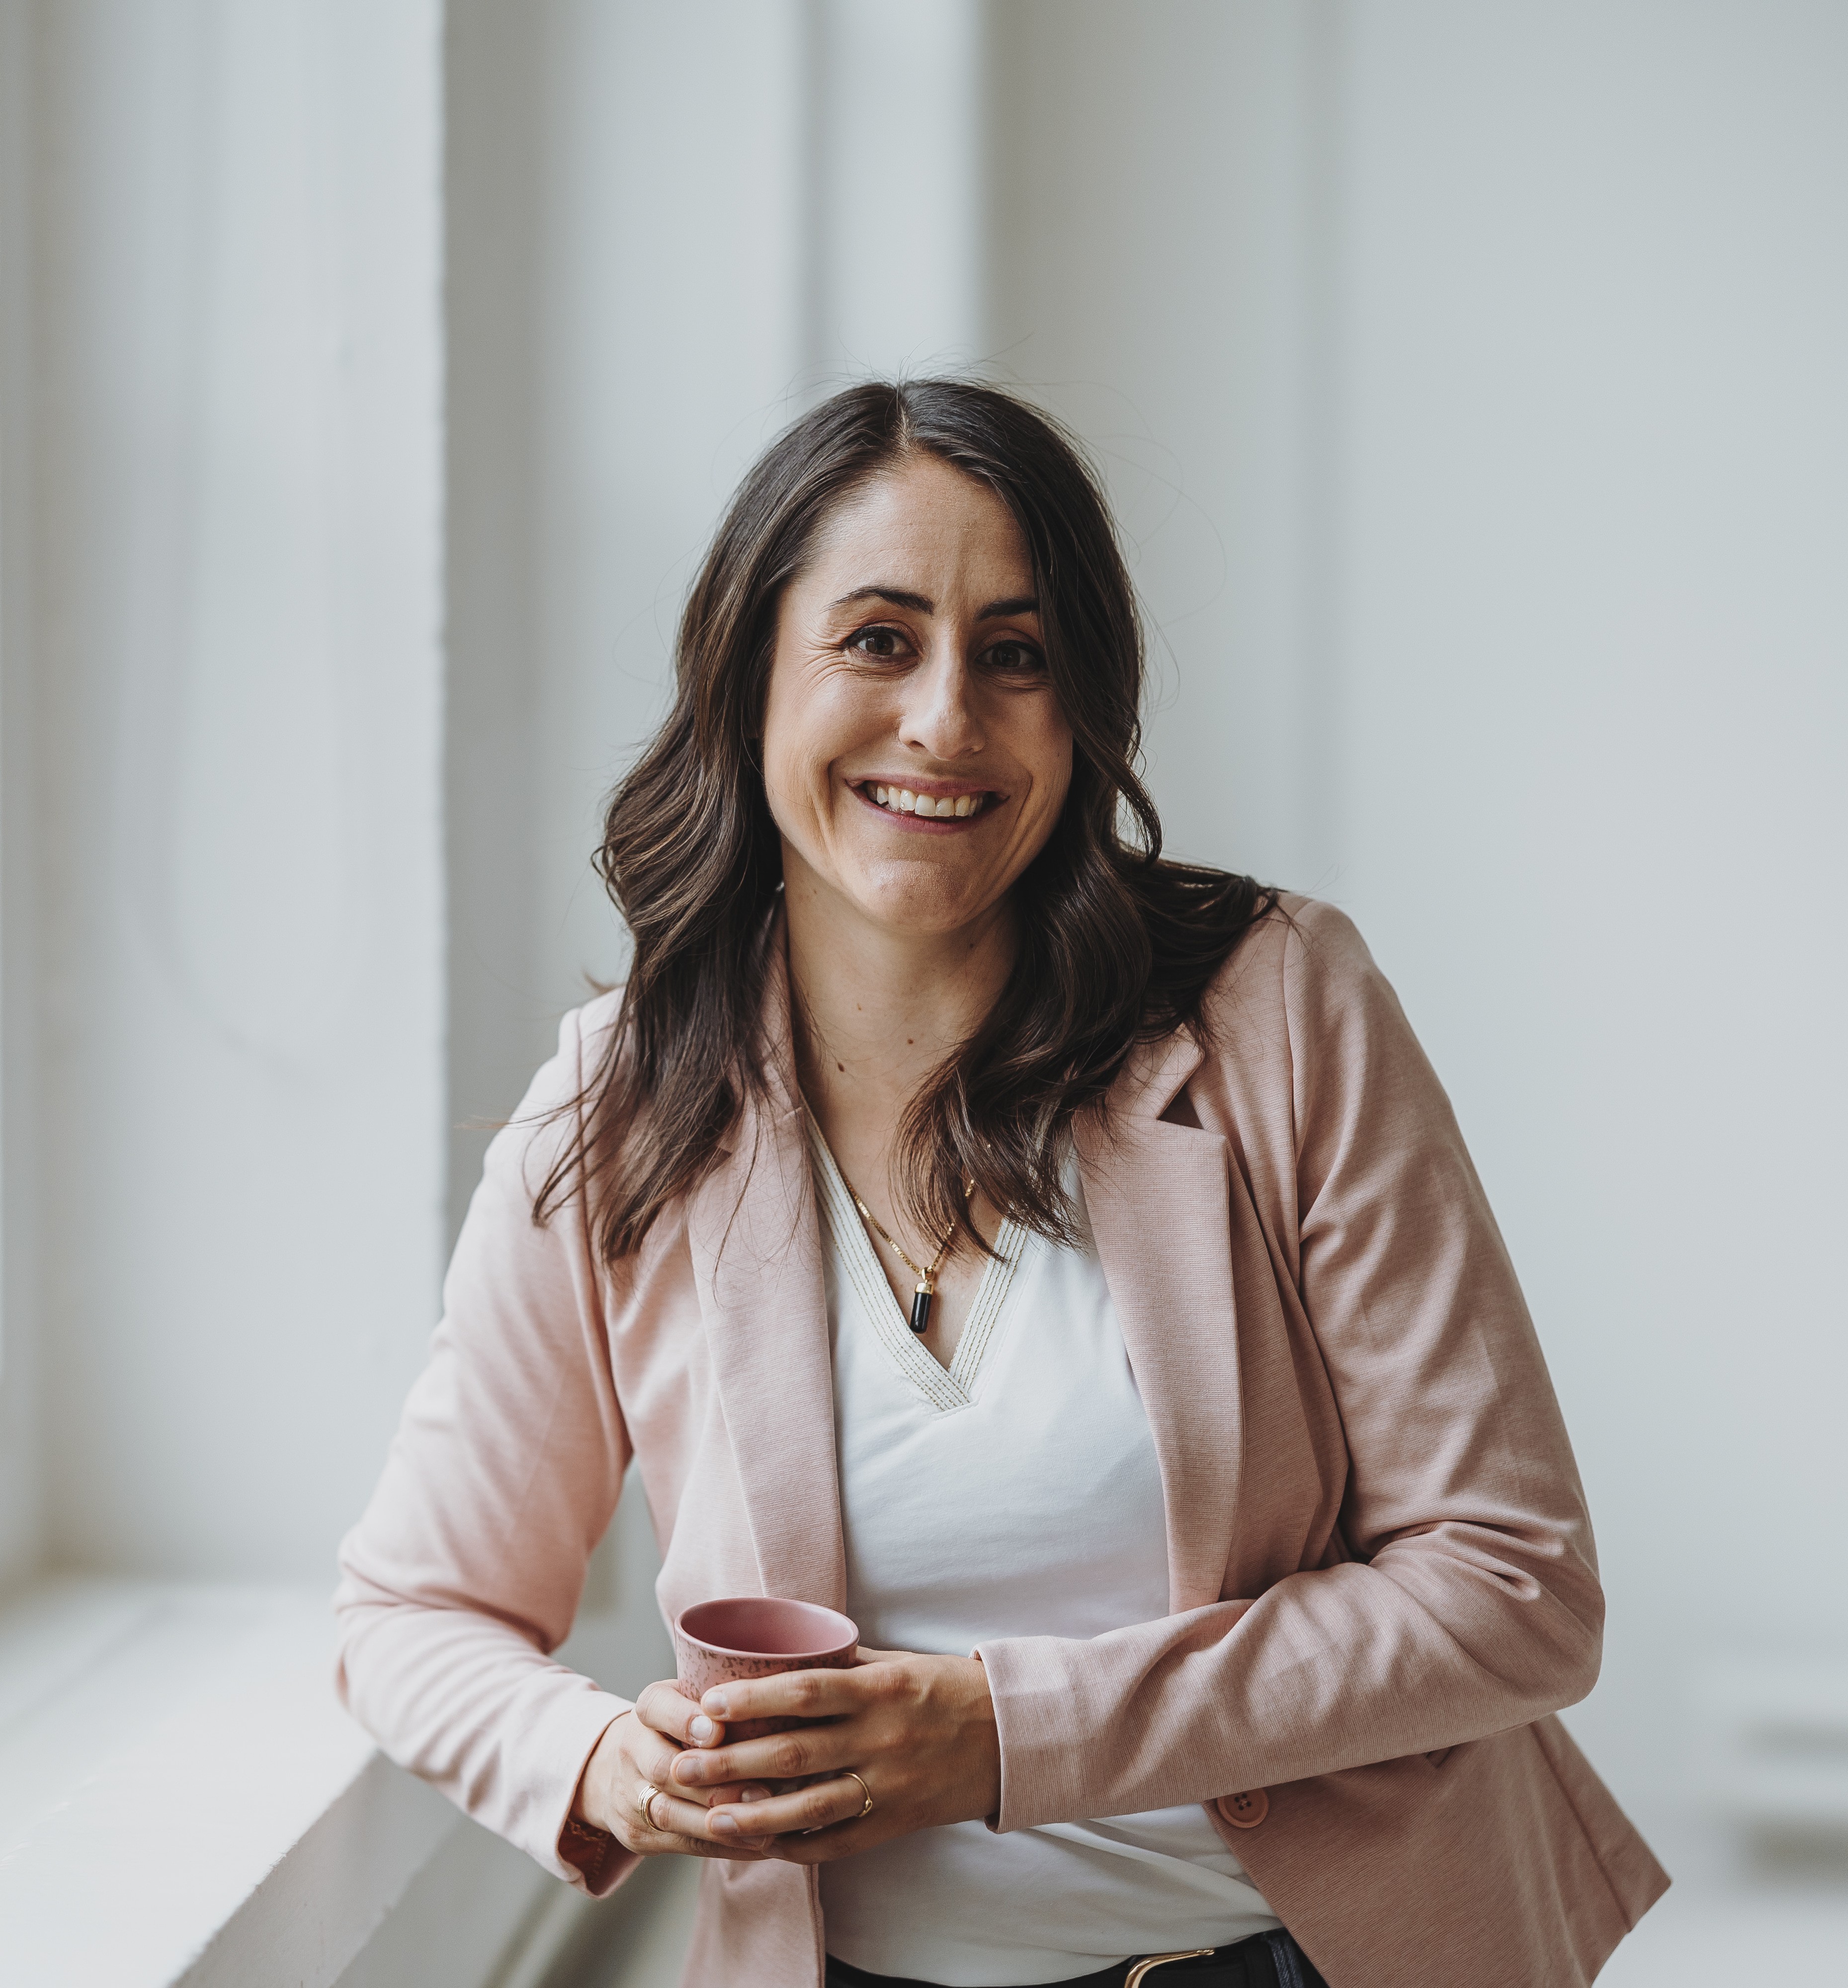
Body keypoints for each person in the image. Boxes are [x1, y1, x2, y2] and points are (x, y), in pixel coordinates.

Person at [334, 380, 1668, 1988]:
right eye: (877, 640)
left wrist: (1001, 1736)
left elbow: (1514, 1587)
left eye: (1015, 655)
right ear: (750, 678)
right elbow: (411, 1614)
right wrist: (605, 1764)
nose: (945, 721)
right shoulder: (625, 1105)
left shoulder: (1276, 1005)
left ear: (1081, 708)